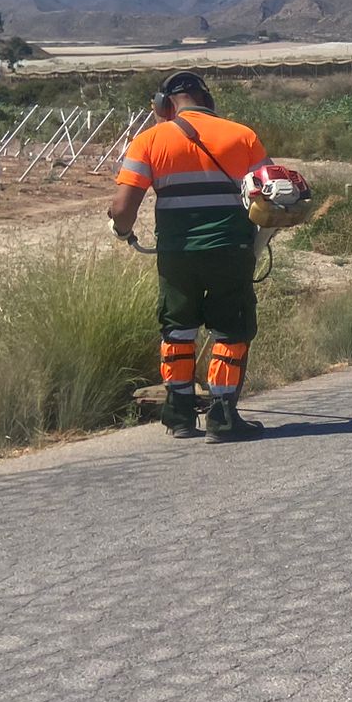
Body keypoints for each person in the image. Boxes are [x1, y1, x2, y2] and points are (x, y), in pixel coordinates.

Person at [107, 70, 270, 441]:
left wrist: (122, 232)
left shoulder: (148, 140)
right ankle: (223, 416)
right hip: (231, 249)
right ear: (207, 100)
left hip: (177, 254)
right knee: (231, 328)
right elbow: (268, 192)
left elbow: (122, 208)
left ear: (165, 105)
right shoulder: (242, 136)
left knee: (178, 328)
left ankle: (179, 416)